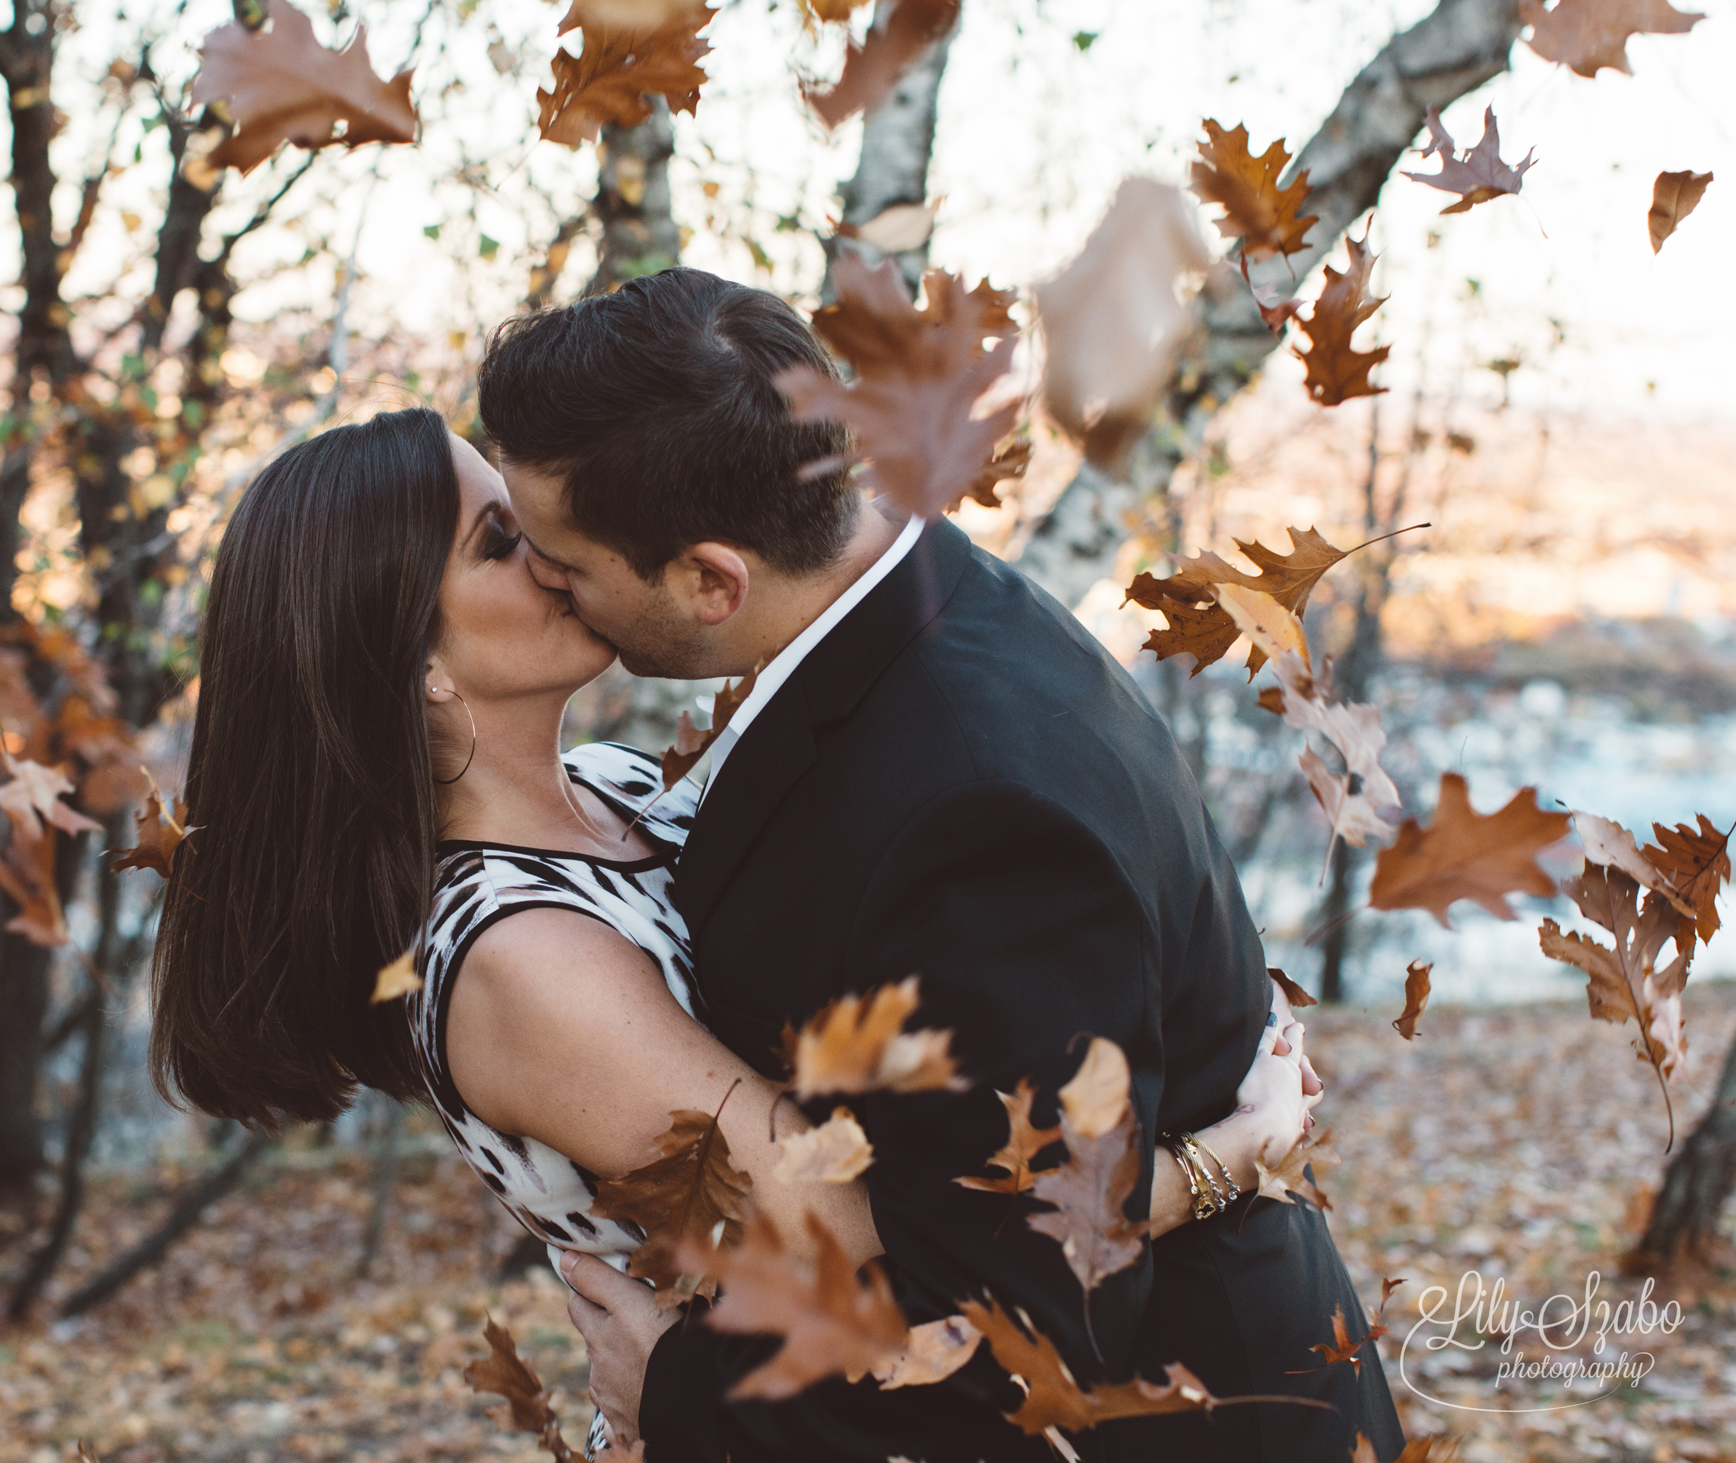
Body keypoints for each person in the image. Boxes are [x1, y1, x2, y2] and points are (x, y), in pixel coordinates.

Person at [145, 404, 1325, 1458]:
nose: (557, 551)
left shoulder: (613, 787)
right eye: (500, 543)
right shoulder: (521, 959)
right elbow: (862, 1235)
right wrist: (1213, 1162)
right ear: (415, 672)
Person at [473, 268, 1406, 1462]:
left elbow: (1026, 1327)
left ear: (713, 579)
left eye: (563, 558)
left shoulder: (975, 811)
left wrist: (677, 1392)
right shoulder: (906, 611)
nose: (546, 582)